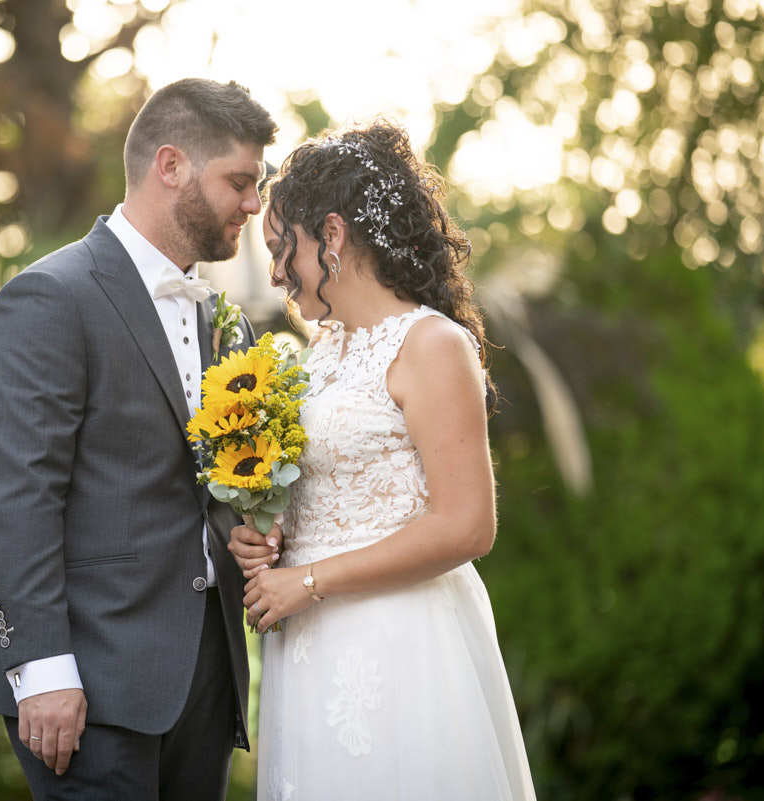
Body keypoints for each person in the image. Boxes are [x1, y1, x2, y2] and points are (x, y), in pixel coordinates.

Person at [0, 78, 277, 800]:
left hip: (206, 673)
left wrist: (256, 528)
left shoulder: (224, 321)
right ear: (171, 166)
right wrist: (42, 668)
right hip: (88, 681)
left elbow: (208, 485)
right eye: (240, 182)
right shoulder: (50, 297)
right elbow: (20, 496)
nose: (253, 205)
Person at [229, 121, 537, 800]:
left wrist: (306, 581)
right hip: (309, 647)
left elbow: (466, 526)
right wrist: (272, 536)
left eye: (285, 249)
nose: (278, 272)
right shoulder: (323, 352)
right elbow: (330, 488)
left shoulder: (432, 344)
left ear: (332, 236)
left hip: (397, 644)